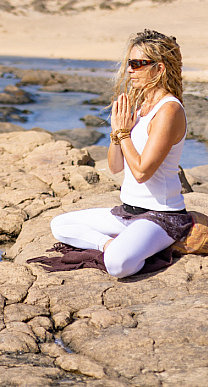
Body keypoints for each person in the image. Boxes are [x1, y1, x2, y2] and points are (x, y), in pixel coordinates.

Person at [48, 28, 193, 277]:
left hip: (162, 217)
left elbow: (141, 172)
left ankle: (139, 247)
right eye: (129, 63)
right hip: (127, 212)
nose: (129, 70)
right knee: (60, 224)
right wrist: (117, 132)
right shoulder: (140, 108)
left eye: (138, 64)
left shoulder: (169, 111)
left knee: (116, 266)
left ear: (159, 69)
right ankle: (113, 244)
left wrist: (125, 133)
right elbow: (116, 166)